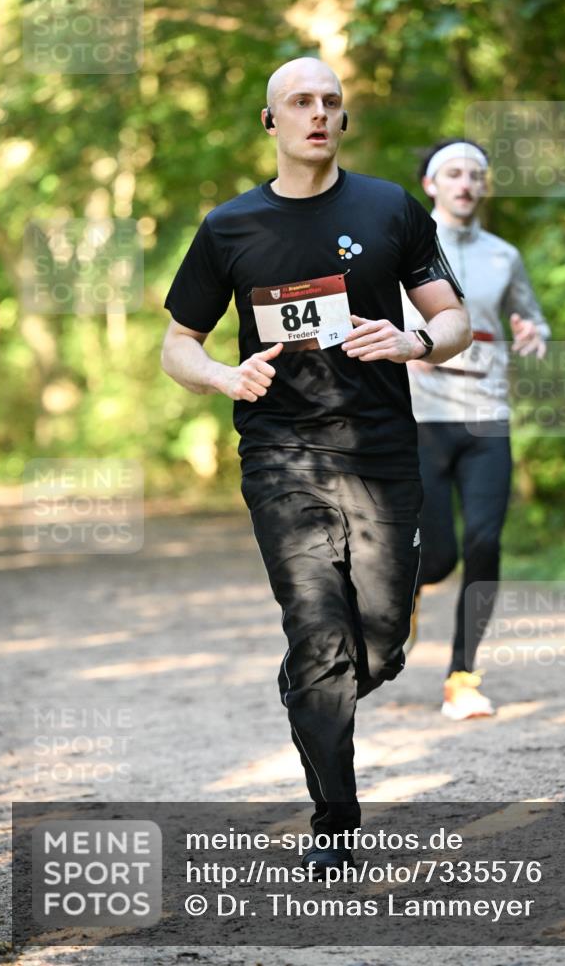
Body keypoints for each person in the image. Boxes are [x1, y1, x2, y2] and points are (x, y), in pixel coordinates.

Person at [161, 59, 471, 875]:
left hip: (380, 452)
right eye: (300, 102)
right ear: (271, 122)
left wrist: (414, 341)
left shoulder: (389, 208)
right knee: (317, 632)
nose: (318, 113)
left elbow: (453, 318)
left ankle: (311, 685)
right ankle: (335, 819)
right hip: (279, 454)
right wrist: (226, 376)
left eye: (330, 101)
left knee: (380, 644)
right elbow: (176, 346)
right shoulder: (229, 228)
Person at [403, 138, 550, 720]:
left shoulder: (503, 256)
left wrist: (533, 333)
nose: (466, 183)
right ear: (432, 185)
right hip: (421, 419)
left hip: (487, 417)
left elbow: (530, 316)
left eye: (475, 175)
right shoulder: (404, 248)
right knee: (436, 558)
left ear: (484, 186)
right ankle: (406, 595)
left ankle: (462, 676)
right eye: (453, 174)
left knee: (485, 543)